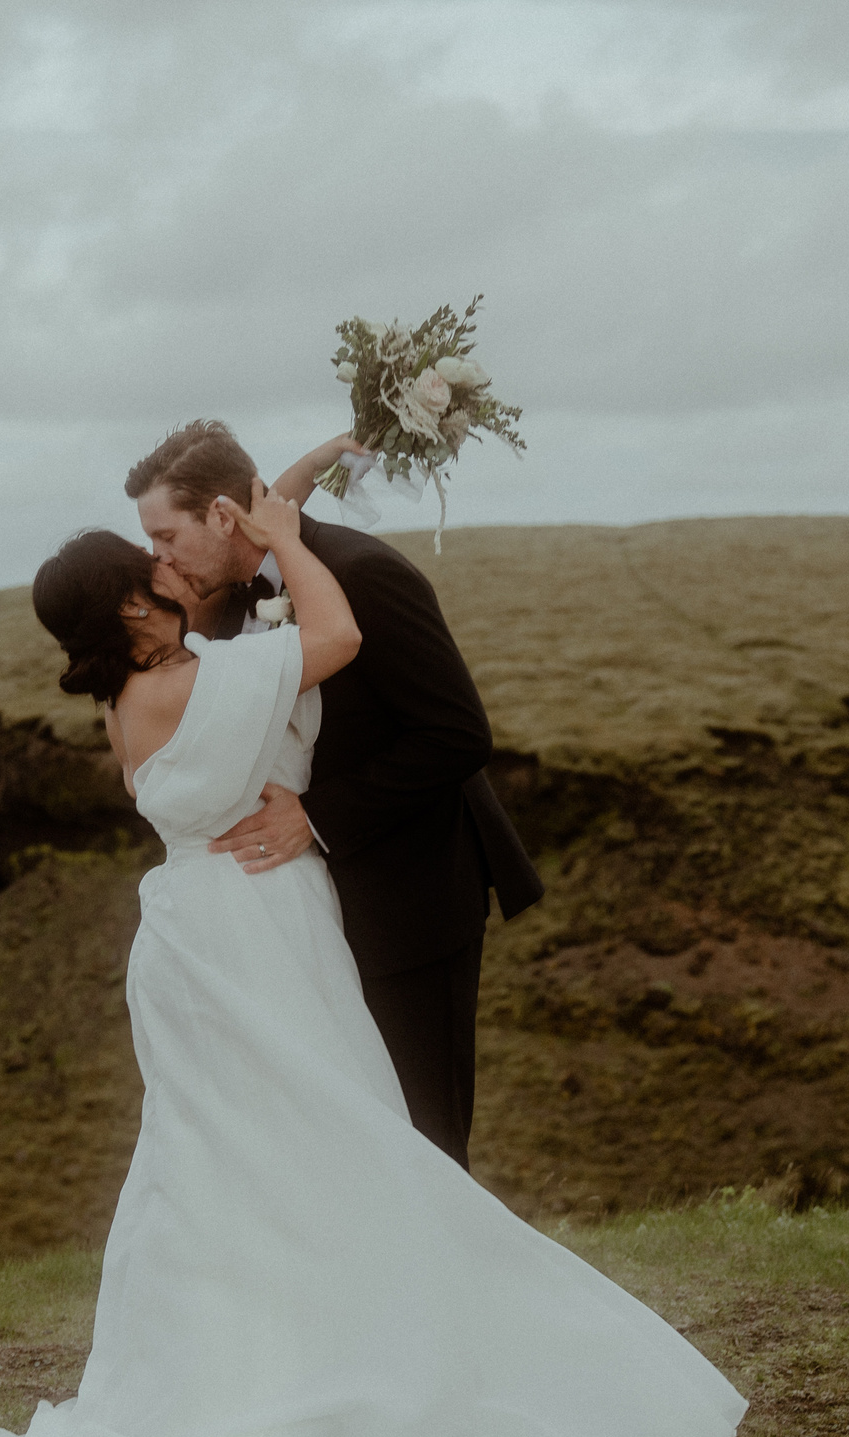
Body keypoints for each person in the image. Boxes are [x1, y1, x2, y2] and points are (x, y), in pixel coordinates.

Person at [0, 461, 746, 1437]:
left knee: (223, 1163)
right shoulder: (206, 678)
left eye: (167, 539)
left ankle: (256, 1367)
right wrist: (291, 539)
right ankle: (371, 1357)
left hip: (192, 933)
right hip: (258, 928)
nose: (166, 564)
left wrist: (274, 505)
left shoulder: (141, 689)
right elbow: (334, 639)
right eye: (148, 560)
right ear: (131, 607)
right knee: (329, 1134)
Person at [127, 422, 542, 1169]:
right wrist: (320, 457)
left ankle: (453, 1281)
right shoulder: (230, 591)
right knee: (354, 1130)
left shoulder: (366, 573)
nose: (157, 557)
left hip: (411, 892)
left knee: (425, 1131)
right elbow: (264, 509)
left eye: (164, 536)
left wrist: (315, 819)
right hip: (314, 913)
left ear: (223, 517)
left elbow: (458, 734)